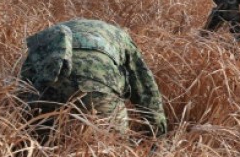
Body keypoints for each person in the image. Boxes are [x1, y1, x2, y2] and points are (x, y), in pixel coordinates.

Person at [20, 19, 167, 137]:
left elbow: (24, 85)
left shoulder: (50, 35)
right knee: (109, 151)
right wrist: (157, 135)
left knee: (44, 145)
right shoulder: (120, 37)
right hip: (99, 89)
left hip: (49, 87)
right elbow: (145, 90)